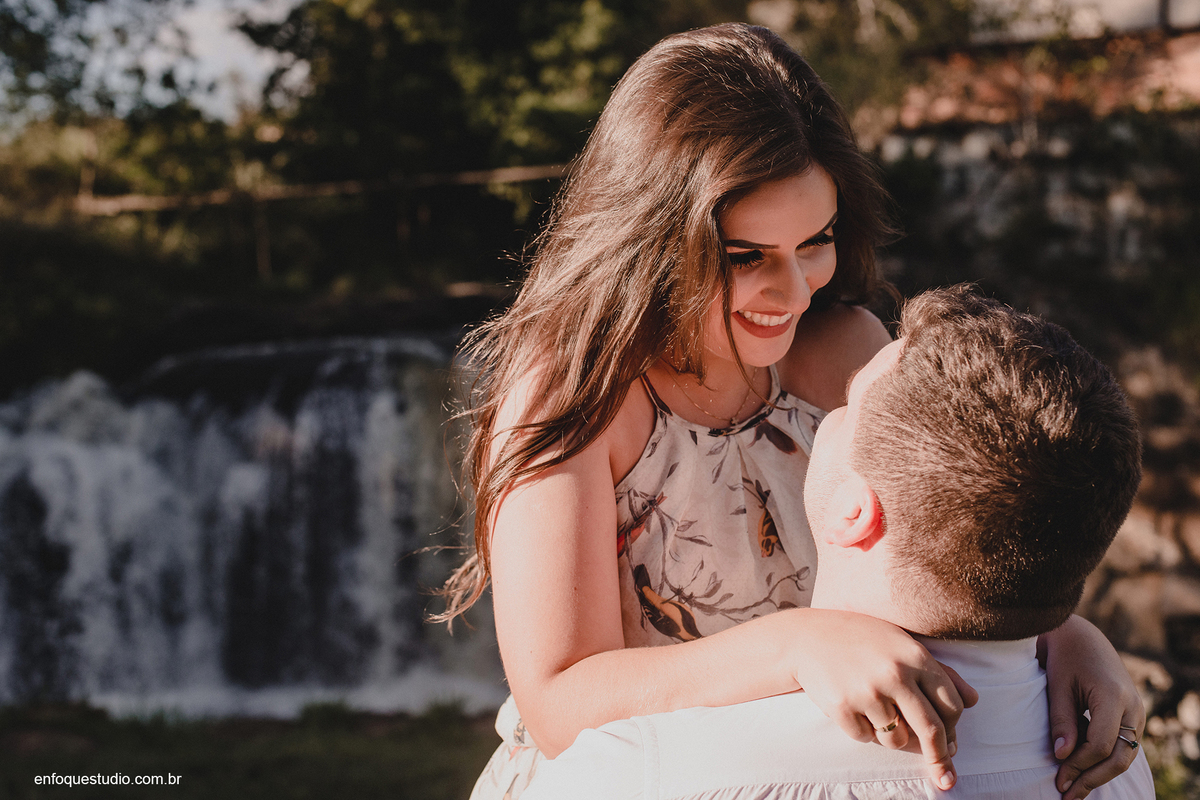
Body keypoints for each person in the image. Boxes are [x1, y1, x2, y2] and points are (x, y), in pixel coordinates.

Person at [440, 23, 1144, 800]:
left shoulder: (847, 348)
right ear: (647, 239)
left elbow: (959, 542)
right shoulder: (576, 391)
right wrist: (797, 646)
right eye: (745, 257)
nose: (794, 290)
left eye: (817, 240)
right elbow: (558, 705)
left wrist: (1061, 634)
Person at [522, 286, 1153, 800]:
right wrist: (1061, 628)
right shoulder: (1117, 766)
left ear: (855, 510)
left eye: (848, 403)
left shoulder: (643, 771)